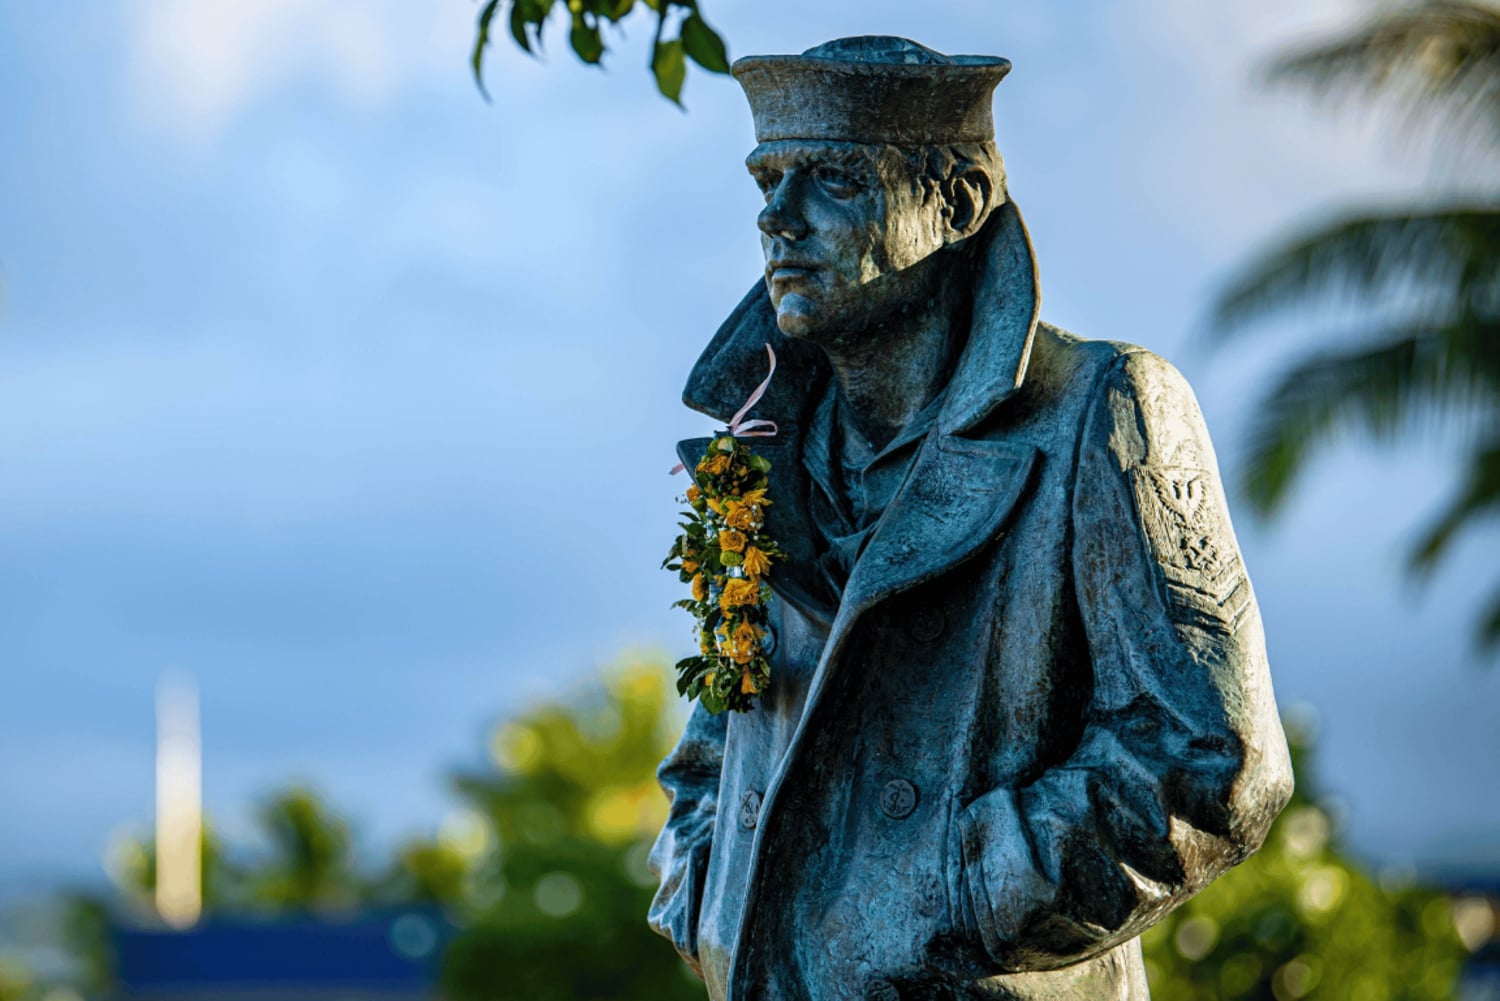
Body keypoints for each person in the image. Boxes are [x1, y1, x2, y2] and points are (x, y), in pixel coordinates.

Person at [649, 36, 1293, 1001]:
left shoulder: (1105, 408)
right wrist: (701, 892)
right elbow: (719, 744)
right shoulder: (757, 450)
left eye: (830, 180)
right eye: (767, 181)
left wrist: (953, 890)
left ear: (952, 206)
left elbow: (1207, 756)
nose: (777, 219)